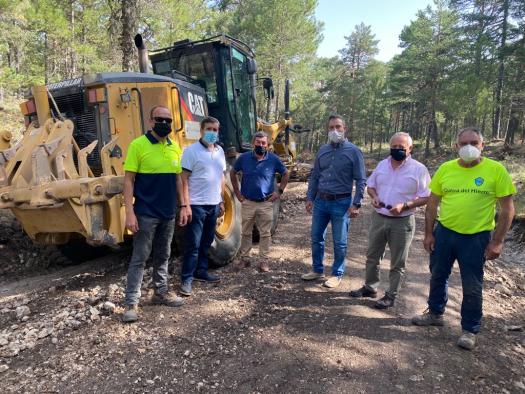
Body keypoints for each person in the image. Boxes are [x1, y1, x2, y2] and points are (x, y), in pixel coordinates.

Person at [412, 127, 515, 350]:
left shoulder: (496, 170)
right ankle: (435, 313)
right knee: (438, 274)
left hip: (476, 237)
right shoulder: (446, 169)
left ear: (482, 145)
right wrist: (429, 233)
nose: (469, 147)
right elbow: (432, 204)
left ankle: (470, 329)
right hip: (446, 232)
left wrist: (497, 241)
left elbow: (507, 209)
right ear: (456, 146)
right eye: (464, 143)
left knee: (472, 284)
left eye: (474, 142)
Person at [350, 132, 430, 308]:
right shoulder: (382, 165)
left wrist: (406, 205)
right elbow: (371, 186)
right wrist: (374, 197)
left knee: (397, 261)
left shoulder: (419, 169)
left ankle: (391, 295)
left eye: (401, 148)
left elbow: (426, 197)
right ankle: (370, 287)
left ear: (410, 149)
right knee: (372, 255)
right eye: (394, 147)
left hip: (402, 221)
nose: (397, 150)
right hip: (379, 217)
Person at [122, 105, 186, 323]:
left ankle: (161, 292)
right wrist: (129, 212)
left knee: (163, 254)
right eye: (160, 119)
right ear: (151, 121)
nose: (165, 124)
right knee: (140, 257)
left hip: (168, 213)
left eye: (168, 120)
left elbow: (178, 180)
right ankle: (131, 303)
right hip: (145, 213)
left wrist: (184, 205)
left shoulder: (174, 147)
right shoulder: (137, 145)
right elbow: (128, 180)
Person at [301, 115, 366, 288]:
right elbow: (315, 176)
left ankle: (337, 274)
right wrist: (310, 198)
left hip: (342, 203)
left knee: (340, 241)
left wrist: (357, 203)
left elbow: (361, 180)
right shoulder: (322, 150)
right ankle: (317, 269)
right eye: (331, 128)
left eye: (338, 127)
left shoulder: (354, 151)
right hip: (321, 201)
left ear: (345, 128)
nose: (334, 131)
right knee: (316, 237)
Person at [179, 116, 226, 296]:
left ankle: (201, 272)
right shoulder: (191, 151)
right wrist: (186, 205)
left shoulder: (220, 151)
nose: (212, 133)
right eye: (209, 129)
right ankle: (187, 279)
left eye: (215, 130)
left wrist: (221, 200)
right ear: (201, 130)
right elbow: (183, 179)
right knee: (193, 244)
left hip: (214, 204)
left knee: (207, 242)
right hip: (196, 205)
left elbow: (221, 177)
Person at [230, 131, 290, 272]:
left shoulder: (273, 159)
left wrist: (279, 191)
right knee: (245, 232)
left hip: (265, 203)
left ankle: (263, 261)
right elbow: (233, 173)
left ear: (267, 144)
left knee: (265, 233)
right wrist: (237, 193)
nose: (261, 145)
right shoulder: (244, 158)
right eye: (258, 142)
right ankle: (245, 259)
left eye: (263, 143)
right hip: (248, 202)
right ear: (253, 143)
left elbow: (286, 173)